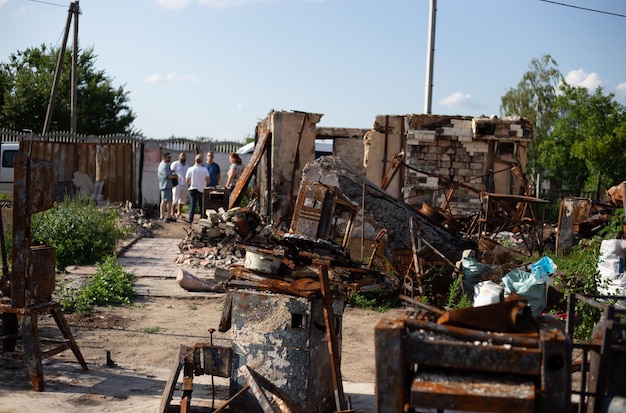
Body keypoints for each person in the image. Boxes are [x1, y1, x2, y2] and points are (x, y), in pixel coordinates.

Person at [185, 154, 210, 224]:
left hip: (193, 188)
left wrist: (192, 182)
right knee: (201, 205)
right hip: (202, 189)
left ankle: (190, 219)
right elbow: (208, 180)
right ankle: (202, 219)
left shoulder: (190, 169)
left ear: (195, 160)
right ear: (202, 161)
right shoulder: (205, 169)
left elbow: (187, 180)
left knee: (192, 205)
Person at [157, 152, 177, 222]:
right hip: (165, 185)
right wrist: (175, 176)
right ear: (164, 157)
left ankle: (168, 216)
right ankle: (162, 216)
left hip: (168, 185)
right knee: (164, 201)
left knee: (170, 201)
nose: (170, 159)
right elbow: (168, 176)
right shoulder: (164, 165)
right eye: (168, 157)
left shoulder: (166, 165)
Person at [170, 152, 189, 218]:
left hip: (185, 184)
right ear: (179, 157)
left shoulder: (187, 166)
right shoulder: (175, 164)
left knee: (182, 200)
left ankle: (179, 213)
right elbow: (171, 172)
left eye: (184, 156)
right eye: (182, 156)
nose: (183, 157)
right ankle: (172, 213)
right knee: (175, 199)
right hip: (177, 184)